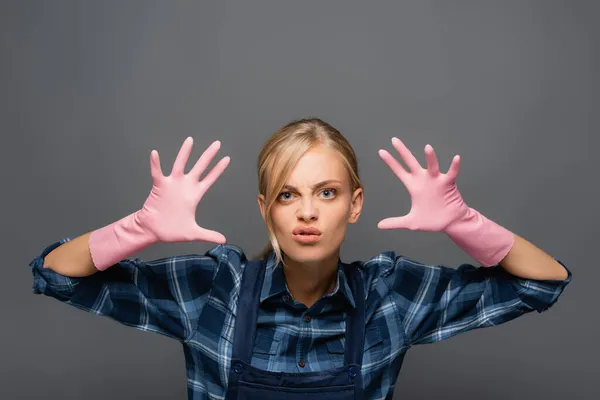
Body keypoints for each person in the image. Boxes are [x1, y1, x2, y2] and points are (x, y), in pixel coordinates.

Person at [30, 118, 571, 400]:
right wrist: (138, 229)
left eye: (327, 193)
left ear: (355, 204)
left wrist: (463, 222)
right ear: (266, 208)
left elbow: (544, 282)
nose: (307, 213)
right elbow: (56, 275)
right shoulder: (214, 289)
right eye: (288, 195)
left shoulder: (391, 295)